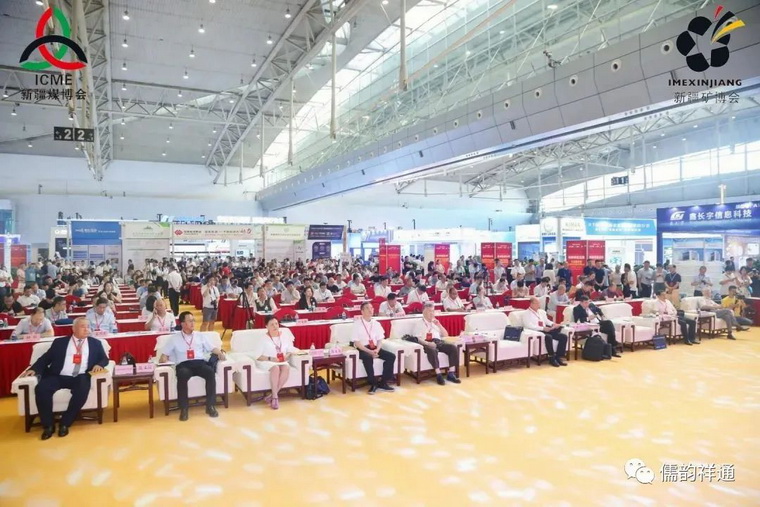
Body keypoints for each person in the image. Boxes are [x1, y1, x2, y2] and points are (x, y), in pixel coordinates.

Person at [21, 317, 109, 439]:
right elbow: (46, 358)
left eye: (88, 327)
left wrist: (99, 364)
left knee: (82, 390)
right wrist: (34, 369)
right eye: (83, 326)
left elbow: (104, 359)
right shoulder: (60, 342)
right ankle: (48, 425)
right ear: (73, 329)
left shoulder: (96, 343)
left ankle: (65, 423)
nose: (86, 329)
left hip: (80, 376)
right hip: (58, 375)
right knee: (41, 389)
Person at [159, 312, 224, 421]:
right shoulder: (174, 338)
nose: (193, 323)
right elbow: (164, 355)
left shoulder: (200, 335)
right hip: (184, 365)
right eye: (190, 321)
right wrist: (163, 358)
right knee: (182, 374)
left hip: (199, 363)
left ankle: (210, 406)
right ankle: (184, 408)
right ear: (182, 323)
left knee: (209, 372)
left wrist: (220, 353)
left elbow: (212, 348)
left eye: (193, 320)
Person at [351, 302, 395, 394]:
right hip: (363, 348)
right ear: (362, 311)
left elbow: (380, 340)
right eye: (367, 308)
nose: (370, 310)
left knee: (391, 356)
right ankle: (373, 384)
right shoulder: (356, 324)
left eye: (371, 308)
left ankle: (383, 382)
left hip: (374, 348)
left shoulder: (376, 323)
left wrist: (377, 350)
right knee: (367, 358)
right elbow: (357, 343)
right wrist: (369, 352)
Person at [412, 302, 461, 385]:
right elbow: (417, 338)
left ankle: (451, 373)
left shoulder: (435, 323)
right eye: (429, 311)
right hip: (426, 343)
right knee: (432, 350)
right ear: (423, 312)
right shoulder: (419, 323)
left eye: (433, 311)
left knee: (452, 347)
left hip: (438, 342)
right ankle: (438, 374)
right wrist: (428, 343)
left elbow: (446, 335)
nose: (432, 313)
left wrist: (439, 325)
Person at [256, 316, 296, 409]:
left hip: (281, 361)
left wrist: (286, 356)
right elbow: (257, 356)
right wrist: (271, 359)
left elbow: (290, 349)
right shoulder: (263, 338)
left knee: (286, 367)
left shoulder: (284, 336)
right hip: (267, 361)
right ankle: (275, 398)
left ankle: (273, 395)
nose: (275, 326)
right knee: (275, 368)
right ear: (266, 326)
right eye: (272, 324)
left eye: (276, 324)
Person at [523, 296, 568, 367]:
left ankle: (558, 357)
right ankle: (551, 358)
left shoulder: (541, 312)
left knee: (563, 337)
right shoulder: (526, 313)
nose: (539, 305)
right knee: (548, 337)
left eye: (539, 303)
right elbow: (528, 325)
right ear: (531, 304)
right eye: (537, 303)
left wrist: (553, 324)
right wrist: (542, 328)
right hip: (536, 331)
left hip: (546, 329)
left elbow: (547, 321)